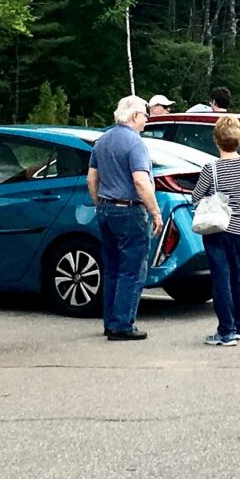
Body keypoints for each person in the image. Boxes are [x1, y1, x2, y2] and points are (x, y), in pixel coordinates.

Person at [88, 95, 164, 341]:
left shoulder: (102, 141)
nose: (146, 120)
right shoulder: (135, 143)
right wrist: (155, 212)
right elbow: (141, 181)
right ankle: (123, 324)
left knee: (111, 267)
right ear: (133, 116)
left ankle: (110, 321)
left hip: (106, 208)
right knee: (132, 269)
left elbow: (92, 180)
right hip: (129, 209)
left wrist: (100, 204)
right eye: (144, 115)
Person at [190, 114, 240, 346]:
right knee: (237, 277)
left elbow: (195, 197)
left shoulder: (211, 169)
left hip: (218, 229)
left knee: (221, 279)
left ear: (217, 140)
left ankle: (226, 331)